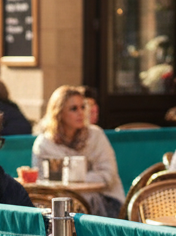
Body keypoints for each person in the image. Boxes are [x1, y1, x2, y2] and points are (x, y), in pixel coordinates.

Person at [32, 85, 125, 216]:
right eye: (73, 109)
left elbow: (108, 175)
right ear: (59, 113)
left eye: (83, 107)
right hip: (59, 205)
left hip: (104, 200)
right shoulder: (45, 144)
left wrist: (73, 177)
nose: (81, 112)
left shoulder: (95, 135)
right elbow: (42, 181)